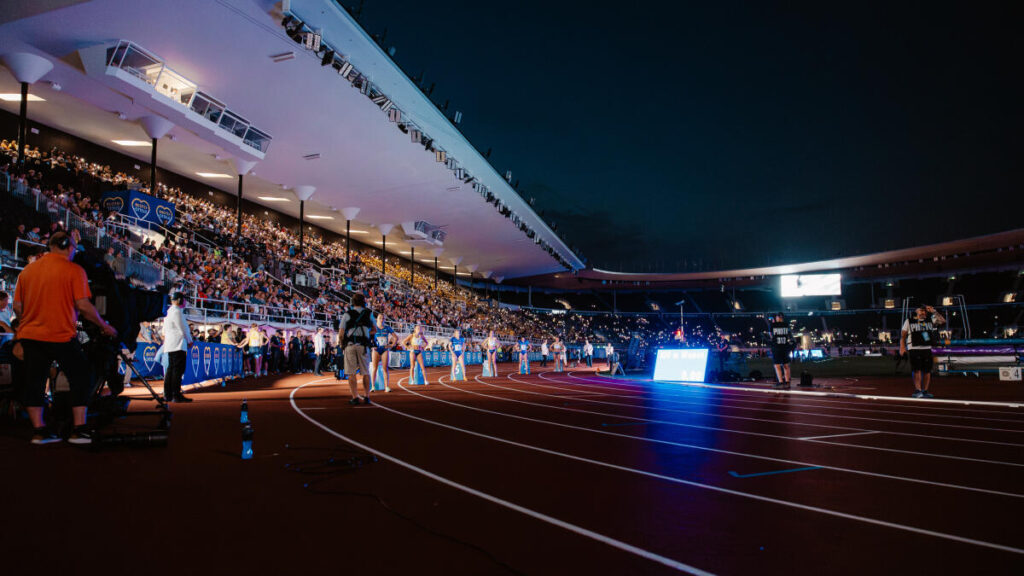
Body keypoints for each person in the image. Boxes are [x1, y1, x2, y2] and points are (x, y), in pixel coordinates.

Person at [13, 232, 117, 444]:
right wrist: (104, 326)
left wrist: (31, 321)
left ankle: (39, 431)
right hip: (60, 334)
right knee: (81, 376)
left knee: (35, 380)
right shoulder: (73, 270)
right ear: (70, 248)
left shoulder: (28, 271)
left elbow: (17, 307)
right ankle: (79, 429)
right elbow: (83, 306)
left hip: (31, 335)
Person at [900, 304, 946, 398]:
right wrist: (902, 347)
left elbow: (942, 321)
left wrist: (934, 311)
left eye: (924, 311)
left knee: (927, 371)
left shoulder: (930, 320)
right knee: (916, 370)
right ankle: (918, 390)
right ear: (916, 311)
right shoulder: (909, 321)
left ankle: (925, 391)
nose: (923, 312)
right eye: (921, 311)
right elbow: (903, 336)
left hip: (927, 348)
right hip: (914, 348)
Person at [339, 294, 374, 404]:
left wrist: (341, 344)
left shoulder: (347, 314)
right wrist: (366, 333)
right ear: (363, 302)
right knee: (366, 372)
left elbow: (341, 333)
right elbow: (374, 329)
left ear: (353, 302)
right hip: (363, 346)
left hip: (350, 345)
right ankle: (367, 397)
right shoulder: (369, 313)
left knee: (351, 373)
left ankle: (355, 397)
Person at [161, 292, 193, 403]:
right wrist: (189, 340)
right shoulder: (177, 312)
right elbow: (183, 328)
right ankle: (176, 394)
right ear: (179, 300)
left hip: (170, 344)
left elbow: (163, 331)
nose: (185, 302)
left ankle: (168, 394)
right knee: (177, 370)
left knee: (171, 369)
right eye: (183, 300)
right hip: (178, 344)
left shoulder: (169, 311)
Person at [370, 314, 397, 392]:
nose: (381, 320)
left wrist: (391, 345)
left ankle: (386, 387)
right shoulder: (373, 328)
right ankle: (373, 387)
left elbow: (396, 337)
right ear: (377, 319)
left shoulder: (387, 328)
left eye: (383, 318)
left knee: (385, 369)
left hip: (385, 349)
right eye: (380, 318)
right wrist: (372, 345)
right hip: (376, 350)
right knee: (374, 368)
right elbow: (368, 337)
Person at [768, 313, 793, 389]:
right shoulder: (786, 324)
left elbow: (771, 336)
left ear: (777, 317)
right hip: (785, 347)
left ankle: (781, 382)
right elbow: (789, 335)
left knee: (777, 365)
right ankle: (787, 382)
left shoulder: (772, 325)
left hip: (777, 347)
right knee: (786, 365)